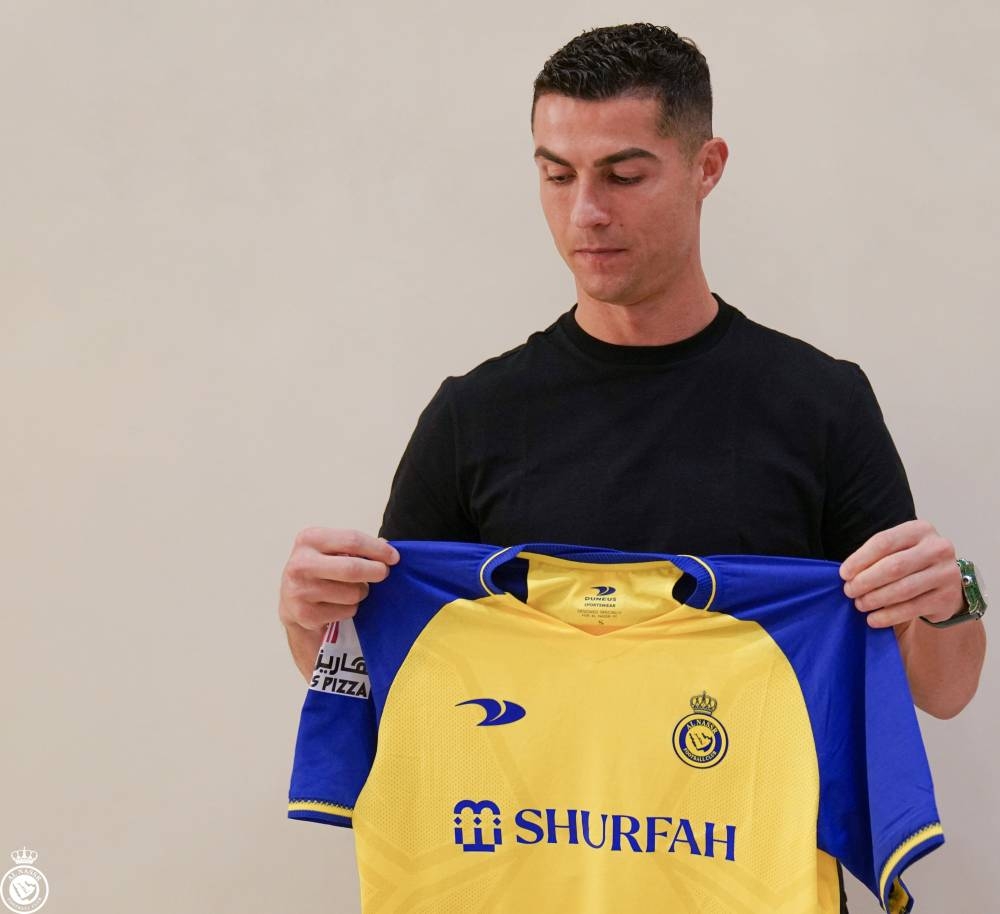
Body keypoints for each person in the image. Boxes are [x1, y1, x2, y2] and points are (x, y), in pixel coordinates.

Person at [278, 21, 986, 909]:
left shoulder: (820, 404)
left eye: (623, 174)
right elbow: (396, 675)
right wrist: (310, 618)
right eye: (557, 175)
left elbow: (943, 687)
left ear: (706, 166)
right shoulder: (474, 414)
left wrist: (950, 596)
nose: (586, 213)